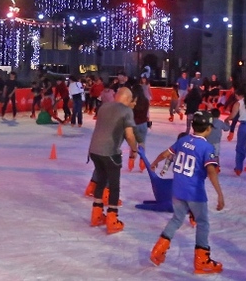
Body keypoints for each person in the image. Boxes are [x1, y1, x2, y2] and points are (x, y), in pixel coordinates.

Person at [148, 112, 225, 274]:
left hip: (177, 189)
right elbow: (211, 171)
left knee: (176, 219)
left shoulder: (183, 140)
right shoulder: (207, 147)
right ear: (208, 128)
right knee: (203, 223)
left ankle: (158, 250)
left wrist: (155, 162)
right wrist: (220, 194)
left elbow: (166, 154)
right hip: (194, 192)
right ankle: (202, 260)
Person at [85, 87, 139, 234]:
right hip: (110, 151)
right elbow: (129, 135)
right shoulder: (126, 111)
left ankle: (96, 215)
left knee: (101, 180)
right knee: (114, 185)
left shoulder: (104, 106)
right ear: (127, 99)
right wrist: (134, 149)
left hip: (94, 149)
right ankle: (112, 219)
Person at [128, 81, 151, 172]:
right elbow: (147, 113)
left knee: (132, 145)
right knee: (142, 143)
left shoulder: (132, 101)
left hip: (134, 124)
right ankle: (142, 163)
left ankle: (131, 161)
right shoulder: (146, 100)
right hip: (143, 124)